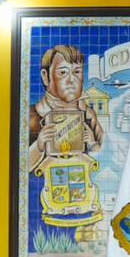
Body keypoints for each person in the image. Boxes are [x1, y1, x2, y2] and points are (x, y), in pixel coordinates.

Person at [26, 44, 104, 173]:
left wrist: (93, 145)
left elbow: (105, 162)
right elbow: (18, 167)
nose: (71, 80)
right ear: (45, 77)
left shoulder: (89, 117)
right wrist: (39, 146)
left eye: (77, 72)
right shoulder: (31, 117)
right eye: (62, 73)